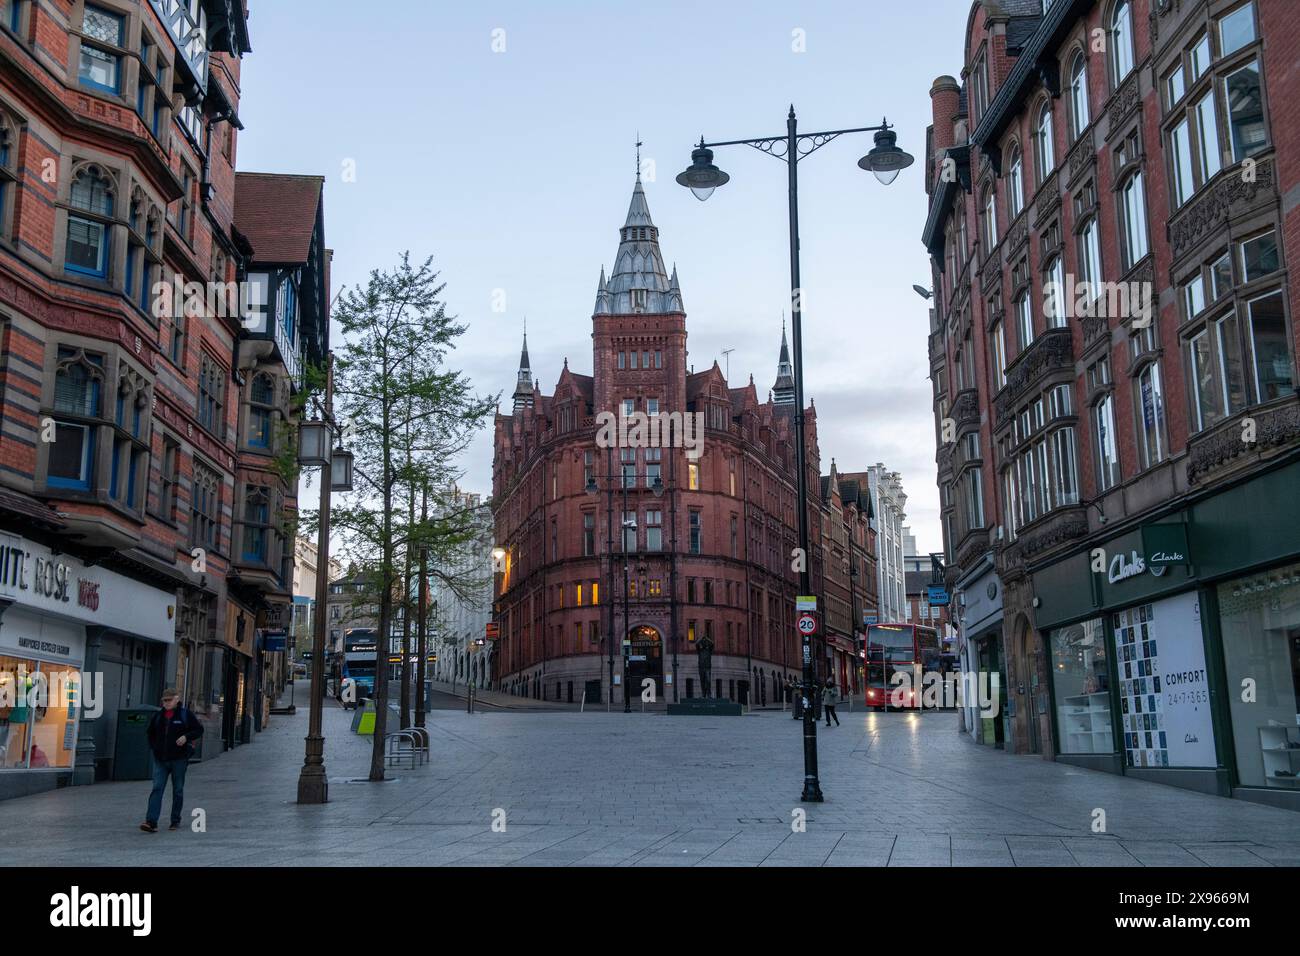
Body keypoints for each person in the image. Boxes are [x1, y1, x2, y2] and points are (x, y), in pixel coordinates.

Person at [141, 689, 203, 833]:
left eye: (169, 700)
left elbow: (199, 730)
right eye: (164, 701)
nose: (166, 703)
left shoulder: (185, 715)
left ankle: (175, 820)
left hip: (179, 760)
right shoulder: (158, 716)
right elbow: (150, 733)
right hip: (160, 759)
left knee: (178, 790)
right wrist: (154, 748)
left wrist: (186, 737)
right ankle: (151, 821)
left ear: (177, 699)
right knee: (157, 788)